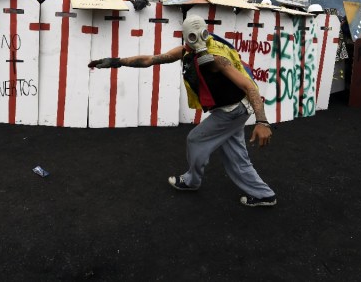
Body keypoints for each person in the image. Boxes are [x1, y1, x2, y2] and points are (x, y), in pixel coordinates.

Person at [88, 15, 277, 207]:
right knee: (236, 155)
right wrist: (116, 61)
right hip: (233, 108)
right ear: (187, 38)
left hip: (233, 110)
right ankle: (264, 195)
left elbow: (250, 86)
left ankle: (191, 180)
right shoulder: (187, 51)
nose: (198, 43)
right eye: (193, 38)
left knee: (196, 140)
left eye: (200, 36)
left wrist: (262, 122)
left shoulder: (217, 58)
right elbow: (150, 60)